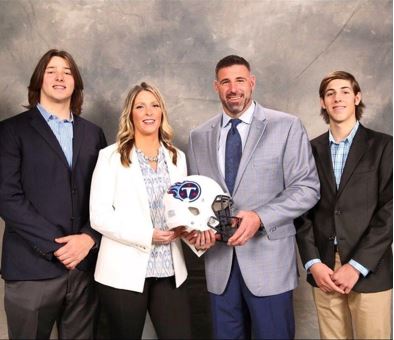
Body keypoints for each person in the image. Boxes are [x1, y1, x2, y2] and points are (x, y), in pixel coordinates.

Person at [186, 55, 320, 339]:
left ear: (252, 83)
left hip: (268, 262)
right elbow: (196, 202)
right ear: (216, 86)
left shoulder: (286, 126)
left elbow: (307, 187)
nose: (233, 88)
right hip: (220, 265)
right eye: (225, 82)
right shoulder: (199, 136)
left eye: (239, 80)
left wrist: (260, 216)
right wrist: (198, 231)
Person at [0, 49, 107, 339]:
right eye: (51, 71)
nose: (60, 76)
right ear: (39, 81)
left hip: (84, 268)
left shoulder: (93, 134)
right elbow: (7, 198)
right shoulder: (10, 131)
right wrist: (57, 246)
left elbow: (107, 196)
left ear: (76, 82)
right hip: (31, 270)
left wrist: (88, 238)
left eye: (67, 71)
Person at [90, 82, 200, 339]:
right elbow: (99, 216)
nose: (148, 112)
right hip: (123, 271)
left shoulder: (177, 157)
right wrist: (147, 234)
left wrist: (194, 230)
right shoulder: (110, 157)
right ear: (131, 114)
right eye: (140, 106)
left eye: (155, 105)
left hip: (170, 269)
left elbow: (182, 211)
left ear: (162, 112)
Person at [295, 71, 392, 339]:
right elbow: (301, 212)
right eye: (330, 93)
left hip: (369, 267)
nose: (338, 98)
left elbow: (390, 212)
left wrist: (357, 265)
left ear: (357, 97)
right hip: (324, 267)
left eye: (345, 91)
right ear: (322, 103)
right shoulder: (308, 150)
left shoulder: (384, 146)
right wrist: (313, 261)